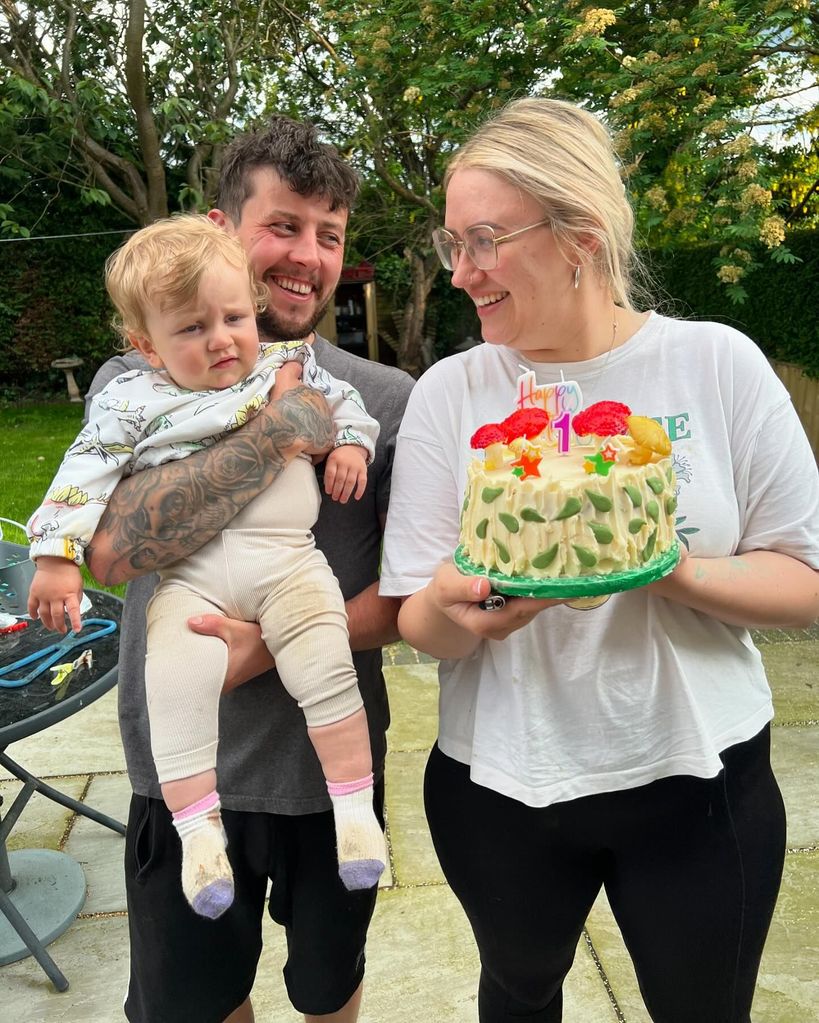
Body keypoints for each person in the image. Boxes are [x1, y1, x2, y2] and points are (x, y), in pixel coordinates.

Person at [379, 96, 819, 1023]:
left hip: (698, 774)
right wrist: (456, 606)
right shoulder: (450, 395)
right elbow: (418, 620)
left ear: (580, 234)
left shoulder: (716, 364)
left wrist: (667, 568)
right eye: (451, 242)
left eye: (485, 239)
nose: (461, 272)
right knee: (519, 993)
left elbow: (807, 580)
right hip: (501, 779)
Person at [83, 119, 414, 1022]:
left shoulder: (383, 403)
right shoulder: (137, 381)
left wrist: (269, 643)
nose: (307, 255)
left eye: (330, 233)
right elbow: (110, 555)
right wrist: (276, 428)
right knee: (198, 1003)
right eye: (283, 225)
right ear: (222, 227)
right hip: (183, 772)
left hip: (328, 776)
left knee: (327, 990)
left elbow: (409, 598)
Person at [27, 214, 388, 920]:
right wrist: (54, 557)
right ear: (146, 345)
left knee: (323, 657)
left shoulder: (279, 365)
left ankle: (353, 812)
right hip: (188, 579)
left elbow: (341, 405)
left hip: (288, 560)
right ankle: (198, 837)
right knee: (175, 682)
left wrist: (349, 445)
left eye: (231, 317)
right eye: (191, 329)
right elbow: (84, 473)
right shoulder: (129, 399)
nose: (220, 338)